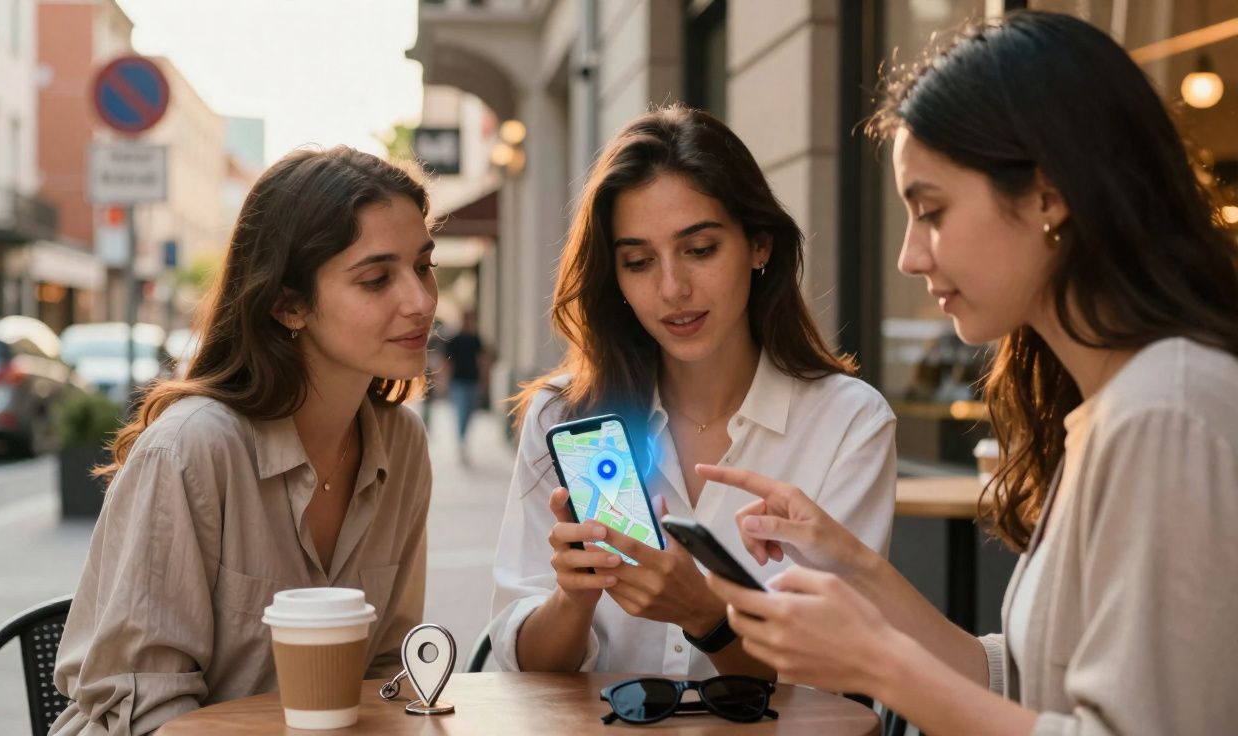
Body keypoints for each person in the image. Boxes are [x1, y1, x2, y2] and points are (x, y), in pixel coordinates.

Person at [702, 11, 1238, 735]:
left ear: (1048, 195)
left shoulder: (1163, 413)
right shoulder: (1117, 405)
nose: (909, 257)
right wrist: (850, 562)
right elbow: (1020, 684)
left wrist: (878, 667)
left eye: (931, 211)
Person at [489, 106, 898, 680]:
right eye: (638, 261)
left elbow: (833, 676)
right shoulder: (565, 415)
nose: (672, 289)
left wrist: (705, 615)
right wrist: (574, 598)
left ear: (759, 246)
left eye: (700, 249)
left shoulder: (848, 422)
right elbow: (523, 666)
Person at [51, 146, 440, 734]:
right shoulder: (191, 449)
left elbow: (385, 671)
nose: (420, 301)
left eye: (423, 265)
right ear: (288, 305)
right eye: (376, 278)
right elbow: (146, 708)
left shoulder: (402, 443)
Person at [442, 310, 489, 463]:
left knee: (469, 413)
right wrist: (445, 382)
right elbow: (448, 363)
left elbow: (481, 360)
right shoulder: (454, 340)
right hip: (458, 382)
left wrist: (483, 381)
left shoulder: (475, 340)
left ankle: (464, 439)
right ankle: (462, 443)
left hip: (472, 382)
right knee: (461, 413)